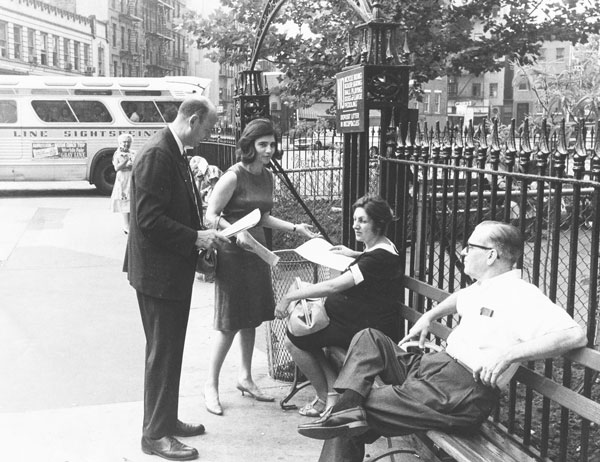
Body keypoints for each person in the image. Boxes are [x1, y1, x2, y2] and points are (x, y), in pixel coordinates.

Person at [297, 221, 586, 462]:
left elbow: (574, 334)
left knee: (361, 411)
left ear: (491, 256)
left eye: (470, 246)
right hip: (433, 369)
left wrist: (509, 354)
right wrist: (429, 316)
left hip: (461, 391)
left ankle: (346, 409)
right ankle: (347, 405)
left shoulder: (522, 295)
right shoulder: (483, 287)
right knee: (369, 337)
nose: (463, 251)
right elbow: (460, 297)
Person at [124, 96, 229, 462]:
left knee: (168, 353)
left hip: (167, 271)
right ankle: (154, 435)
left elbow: (169, 211)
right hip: (158, 275)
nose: (208, 135)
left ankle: (164, 420)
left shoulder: (171, 148)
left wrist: (197, 234)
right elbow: (148, 220)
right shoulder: (158, 154)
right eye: (208, 128)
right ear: (194, 119)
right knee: (162, 354)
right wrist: (194, 238)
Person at [204, 118, 318, 416]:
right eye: (262, 144)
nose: (269, 149)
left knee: (252, 318)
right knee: (228, 322)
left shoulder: (267, 176)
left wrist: (296, 228)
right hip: (231, 254)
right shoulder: (233, 176)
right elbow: (210, 215)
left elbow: (263, 217)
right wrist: (234, 230)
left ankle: (245, 377)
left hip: (257, 254)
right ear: (250, 145)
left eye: (272, 144)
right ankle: (211, 385)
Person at [274, 195, 402, 418]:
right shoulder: (382, 248)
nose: (355, 225)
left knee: (294, 338)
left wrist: (290, 296)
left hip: (366, 331)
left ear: (378, 224)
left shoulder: (377, 258)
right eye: (355, 220)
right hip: (358, 322)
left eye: (362, 221)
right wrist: (355, 254)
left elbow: (334, 286)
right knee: (304, 332)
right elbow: (375, 260)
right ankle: (331, 392)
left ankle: (326, 396)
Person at [110, 133, 136, 234]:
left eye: (128, 142)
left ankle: (130, 224)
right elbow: (117, 168)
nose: (126, 144)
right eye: (124, 142)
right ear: (120, 143)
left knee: (131, 201)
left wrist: (132, 166)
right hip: (123, 179)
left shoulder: (133, 153)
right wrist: (125, 162)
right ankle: (126, 225)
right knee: (124, 201)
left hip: (131, 178)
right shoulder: (117, 154)